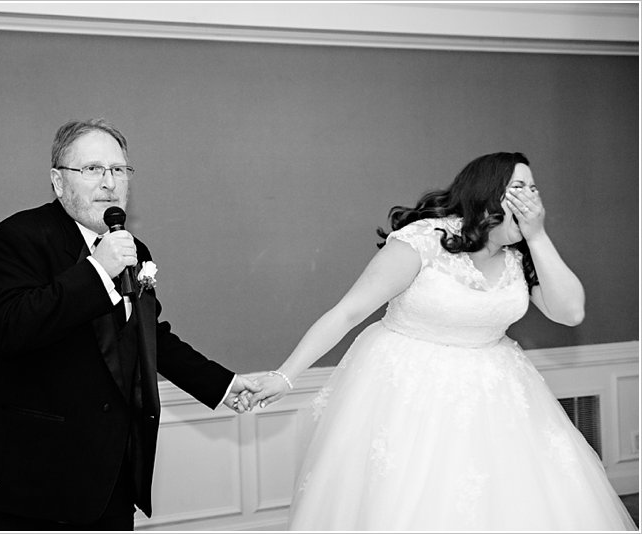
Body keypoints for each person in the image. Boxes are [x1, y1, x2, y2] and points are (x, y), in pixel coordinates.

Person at [250, 152, 636, 530]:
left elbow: (571, 313)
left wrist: (538, 237)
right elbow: (347, 312)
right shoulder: (423, 242)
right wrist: (285, 376)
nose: (531, 198)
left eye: (534, 188)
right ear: (488, 192)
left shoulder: (522, 255)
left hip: (496, 393)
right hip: (406, 392)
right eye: (519, 186)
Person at [0, 118, 259, 531]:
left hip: (111, 475)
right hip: (33, 479)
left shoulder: (132, 248)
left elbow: (149, 335)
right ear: (57, 181)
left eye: (118, 170)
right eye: (92, 169)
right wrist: (97, 271)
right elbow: (11, 329)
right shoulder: (18, 237)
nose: (109, 182)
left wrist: (224, 385)